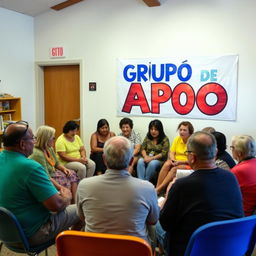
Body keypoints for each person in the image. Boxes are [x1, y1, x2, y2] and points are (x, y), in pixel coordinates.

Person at [157, 131, 243, 256]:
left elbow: (166, 223)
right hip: (228, 247)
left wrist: (167, 198)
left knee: (155, 223)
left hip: (191, 249)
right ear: (215, 152)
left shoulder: (182, 185)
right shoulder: (231, 177)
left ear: (192, 157)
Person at [0, 121, 80, 247]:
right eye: (33, 138)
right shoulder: (30, 167)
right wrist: (67, 196)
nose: (35, 141)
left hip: (5, 235)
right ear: (22, 144)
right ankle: (70, 248)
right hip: (31, 235)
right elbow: (56, 205)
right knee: (81, 208)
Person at [76, 136, 159, 243]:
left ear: (104, 159)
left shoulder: (84, 185)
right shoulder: (147, 188)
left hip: (95, 250)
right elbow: (153, 220)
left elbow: (82, 217)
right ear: (131, 161)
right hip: (135, 250)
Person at [30, 125, 79, 203]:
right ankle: (67, 203)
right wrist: (60, 188)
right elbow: (46, 176)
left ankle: (74, 202)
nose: (54, 140)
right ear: (45, 139)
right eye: (53, 138)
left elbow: (56, 163)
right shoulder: (37, 153)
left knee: (72, 174)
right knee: (66, 181)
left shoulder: (49, 148)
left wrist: (64, 169)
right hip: (47, 178)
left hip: (53, 172)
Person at [156, 121, 194, 194]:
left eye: (184, 130)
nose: (181, 132)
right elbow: (171, 152)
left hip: (187, 163)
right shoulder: (177, 139)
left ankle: (159, 189)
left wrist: (180, 162)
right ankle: (157, 187)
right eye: (180, 130)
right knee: (167, 164)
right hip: (176, 161)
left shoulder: (193, 142)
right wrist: (173, 160)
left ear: (190, 132)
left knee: (174, 169)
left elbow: (192, 160)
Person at [230, 135, 256, 216]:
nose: (231, 150)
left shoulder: (237, 171)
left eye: (232, 147)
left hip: (241, 215)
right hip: (252, 217)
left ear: (239, 153)